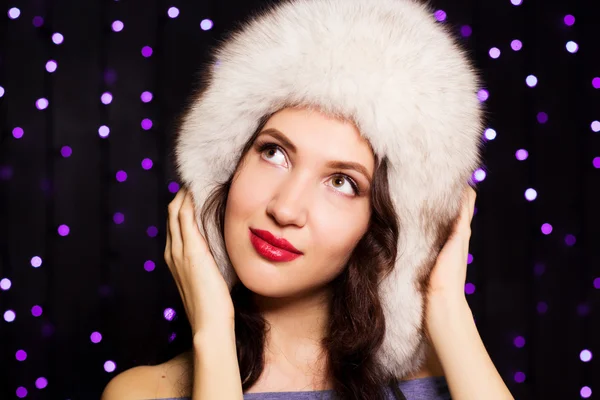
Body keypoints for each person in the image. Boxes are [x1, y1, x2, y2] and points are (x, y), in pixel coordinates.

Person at [102, 0, 515, 398]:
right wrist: (213, 333)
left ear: (381, 223)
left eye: (342, 182)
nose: (285, 209)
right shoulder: (142, 393)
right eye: (273, 153)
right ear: (226, 167)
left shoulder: (445, 384)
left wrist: (446, 306)